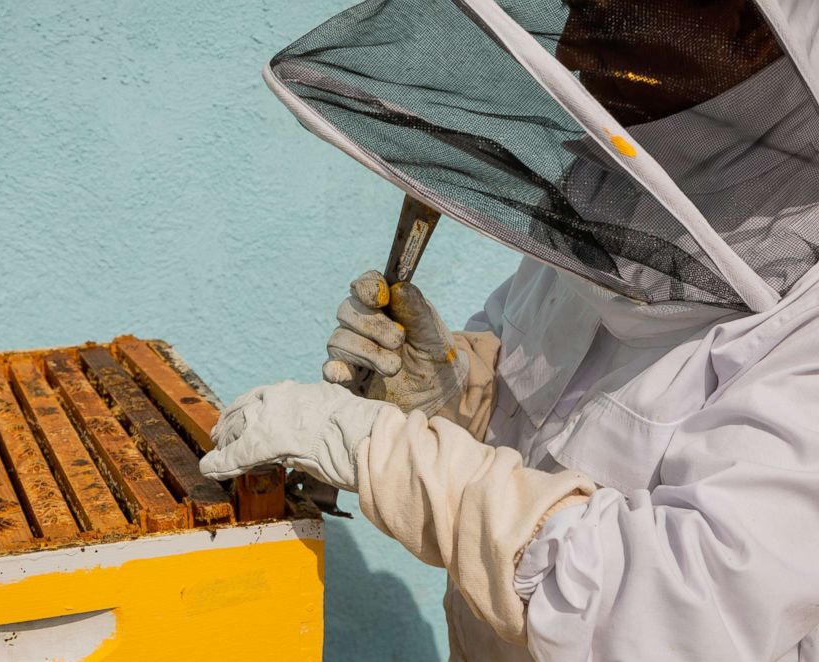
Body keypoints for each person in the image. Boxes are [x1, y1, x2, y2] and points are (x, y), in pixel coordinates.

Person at [201, 1, 819, 659]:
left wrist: (383, 453)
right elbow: (548, 404)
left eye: (617, 14)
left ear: (755, 32)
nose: (573, 52)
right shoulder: (620, 194)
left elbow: (674, 609)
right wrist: (453, 393)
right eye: (577, 7)